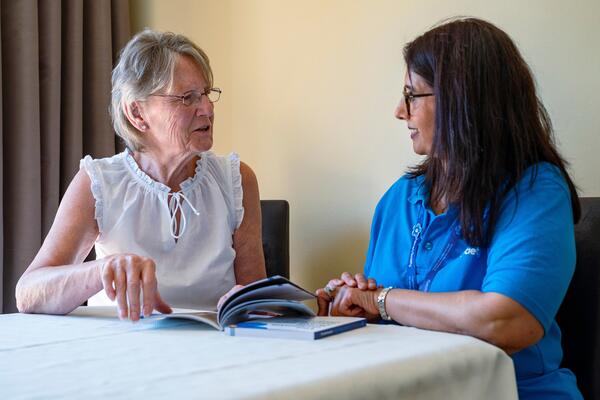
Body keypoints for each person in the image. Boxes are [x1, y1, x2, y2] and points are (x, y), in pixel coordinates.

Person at [317, 18, 583, 399]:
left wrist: (380, 300)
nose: (398, 111)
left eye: (412, 95)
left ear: (460, 100)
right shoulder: (399, 198)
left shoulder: (535, 190)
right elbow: (389, 325)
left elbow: (504, 321)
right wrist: (354, 311)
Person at [15, 29, 266, 321]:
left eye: (207, 94)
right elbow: (28, 293)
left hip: (215, 352)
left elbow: (257, 302)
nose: (207, 109)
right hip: (122, 354)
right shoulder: (99, 182)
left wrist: (259, 304)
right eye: (188, 98)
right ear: (137, 113)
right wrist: (100, 271)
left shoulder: (237, 180)